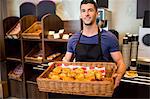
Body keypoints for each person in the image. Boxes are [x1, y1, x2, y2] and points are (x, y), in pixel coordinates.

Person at [63, 0, 126, 89]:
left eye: (90, 10)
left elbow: (120, 62)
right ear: (81, 15)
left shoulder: (109, 38)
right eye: (83, 11)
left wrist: (119, 75)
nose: (86, 14)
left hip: (101, 87)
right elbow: (66, 61)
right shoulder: (73, 39)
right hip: (79, 86)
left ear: (97, 14)